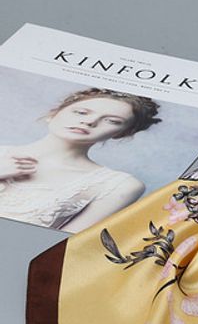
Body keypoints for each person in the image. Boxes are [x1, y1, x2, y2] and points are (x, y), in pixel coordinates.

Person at [0, 87, 161, 232]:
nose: (89, 121)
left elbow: (59, 245)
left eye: (112, 121)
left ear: (123, 133)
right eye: (81, 112)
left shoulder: (119, 185)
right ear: (54, 113)